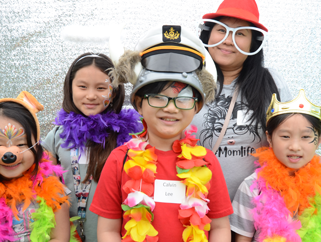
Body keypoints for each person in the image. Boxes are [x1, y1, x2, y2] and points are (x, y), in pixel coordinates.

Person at [191, 0, 321, 201]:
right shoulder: (186, 81)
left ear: (253, 43)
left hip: (257, 207)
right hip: (195, 206)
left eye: (240, 33)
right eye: (222, 30)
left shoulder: (271, 83)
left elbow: (295, 135)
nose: (228, 40)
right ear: (208, 34)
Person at [90, 25, 233, 242]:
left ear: (196, 107)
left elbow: (220, 227)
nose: (170, 108)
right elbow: (108, 230)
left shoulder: (207, 162)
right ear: (138, 104)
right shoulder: (120, 159)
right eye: (158, 97)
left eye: (183, 98)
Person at [42, 53, 143, 242]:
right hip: (68, 234)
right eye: (82, 86)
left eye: (101, 88)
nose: (90, 95)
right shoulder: (56, 136)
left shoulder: (130, 136)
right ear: (69, 88)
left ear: (114, 91)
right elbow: (42, 186)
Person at [231, 89, 321, 241]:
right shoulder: (252, 187)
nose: (295, 146)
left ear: (319, 139)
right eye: (285, 136)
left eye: (305, 137)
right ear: (269, 138)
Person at [0, 90, 71, 242]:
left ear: (36, 146)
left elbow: (60, 238)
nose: (9, 154)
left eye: (21, 144)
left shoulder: (53, 193)